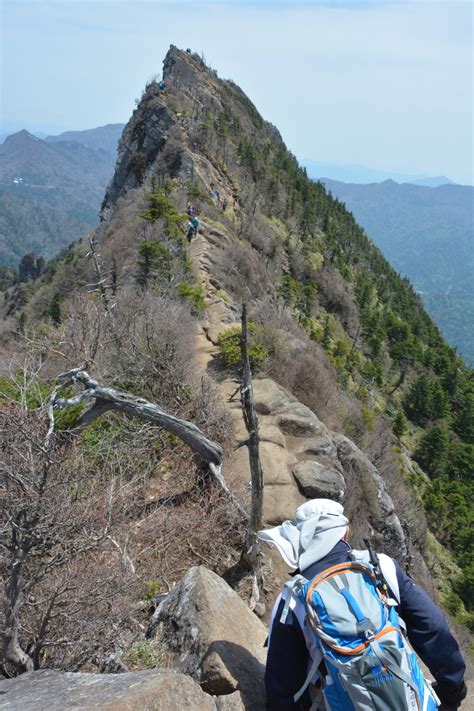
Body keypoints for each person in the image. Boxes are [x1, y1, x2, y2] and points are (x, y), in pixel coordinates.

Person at [259, 499, 467, 711]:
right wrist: (453, 689)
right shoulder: (381, 567)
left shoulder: (293, 599)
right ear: (345, 533)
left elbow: (281, 687)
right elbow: (433, 626)